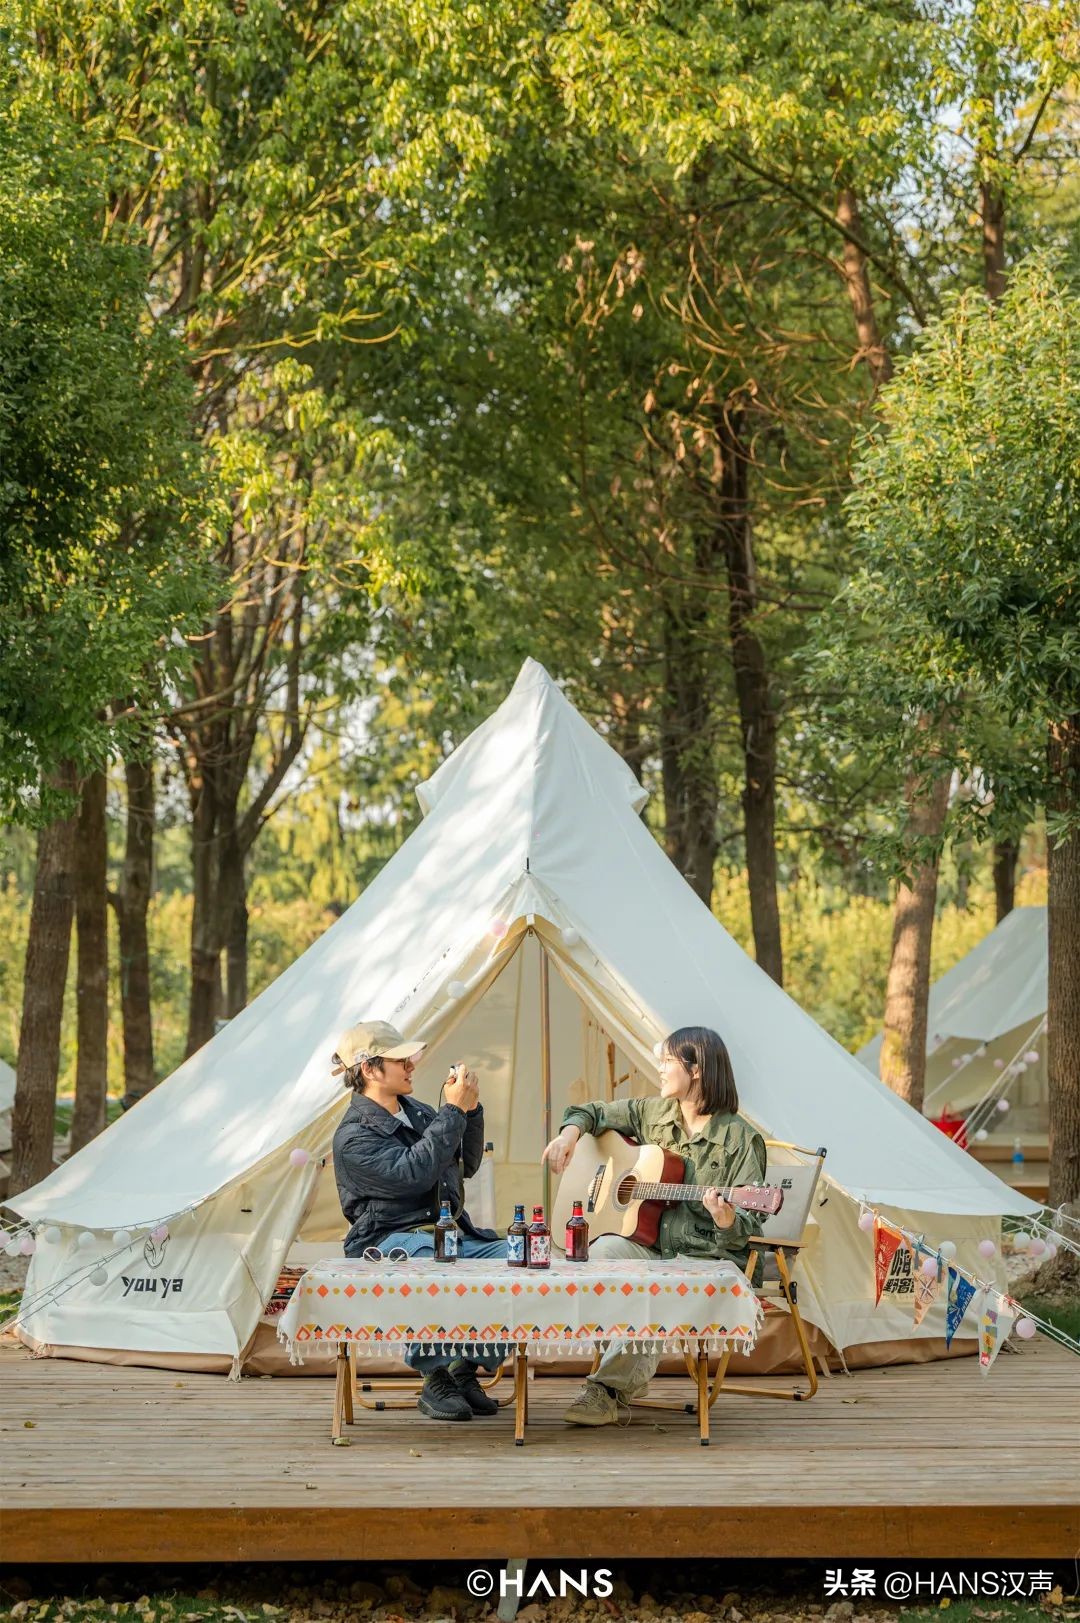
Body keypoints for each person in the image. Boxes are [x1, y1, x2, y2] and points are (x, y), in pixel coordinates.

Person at [541, 1024, 766, 1428]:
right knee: (596, 1255)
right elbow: (591, 1112)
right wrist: (568, 1137)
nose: (659, 1069)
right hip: (649, 1246)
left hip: (704, 1256)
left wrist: (727, 1218)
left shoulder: (741, 1140)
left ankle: (607, 1388)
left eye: (667, 1061)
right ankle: (628, 1369)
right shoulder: (652, 1113)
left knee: (652, 1285)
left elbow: (750, 1224)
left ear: (696, 1069)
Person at [331, 1019, 508, 1423]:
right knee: (435, 1262)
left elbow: (466, 1165)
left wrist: (470, 1110)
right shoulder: (352, 1137)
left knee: (519, 1257)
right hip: (387, 1241)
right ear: (370, 1069)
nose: (412, 1065)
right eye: (401, 1060)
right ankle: (436, 1374)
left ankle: (464, 1368)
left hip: (447, 1235)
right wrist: (453, 1110)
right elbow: (413, 1174)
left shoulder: (422, 1113)